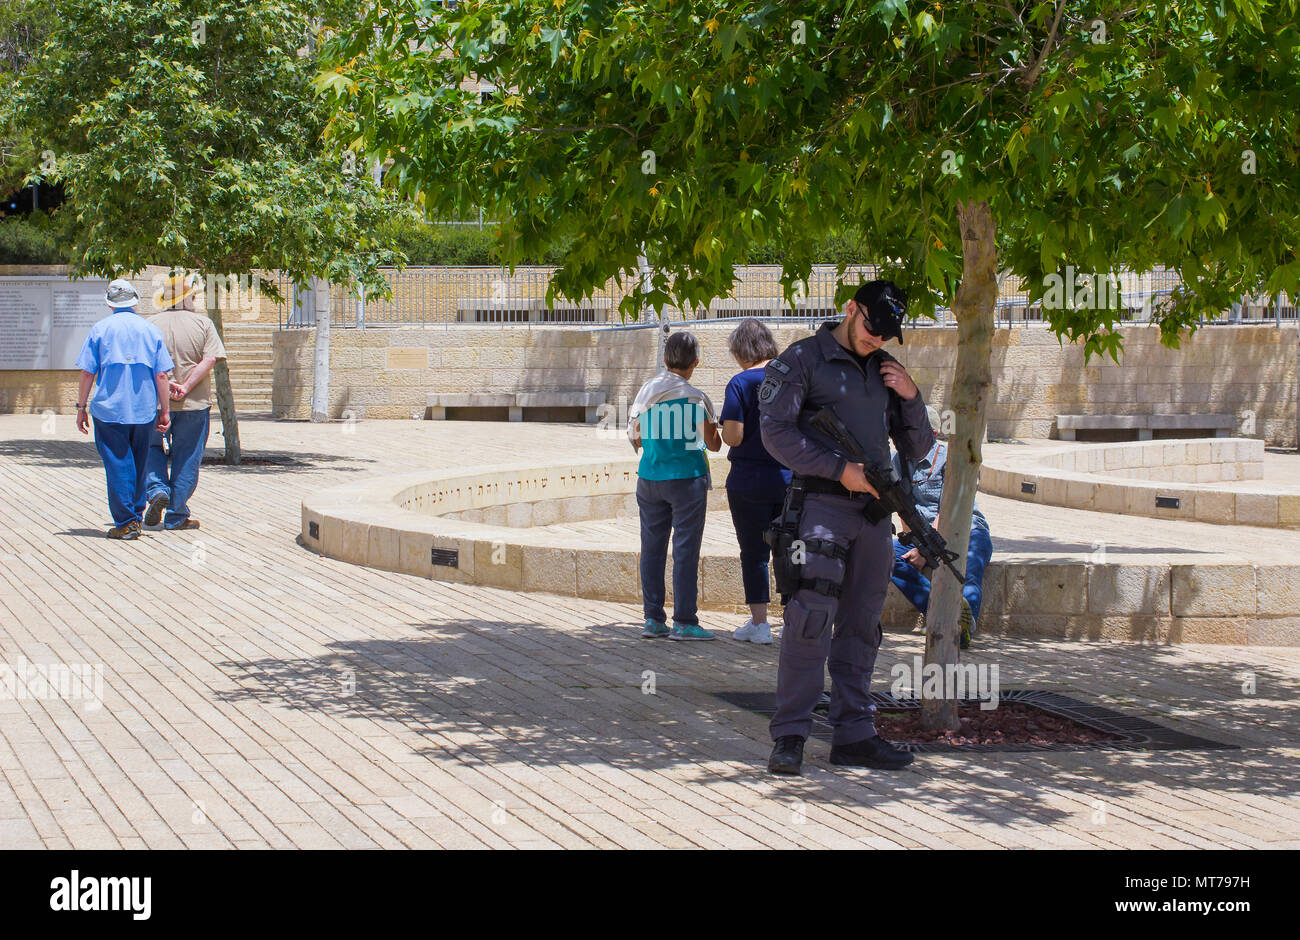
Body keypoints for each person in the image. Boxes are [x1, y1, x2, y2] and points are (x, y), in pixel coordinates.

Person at [758, 280, 934, 775]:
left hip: (873, 517)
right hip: (822, 507)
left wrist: (912, 395)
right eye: (871, 329)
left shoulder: (886, 371)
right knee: (810, 616)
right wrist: (840, 470)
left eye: (886, 335)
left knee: (863, 623)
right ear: (851, 310)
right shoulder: (802, 360)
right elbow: (775, 434)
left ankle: (854, 734)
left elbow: (918, 447)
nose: (876, 340)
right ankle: (790, 734)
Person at [628, 330, 722, 641]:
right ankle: (685, 621)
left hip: (650, 478)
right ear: (696, 361)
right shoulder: (697, 397)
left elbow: (636, 434)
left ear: (666, 359)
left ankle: (653, 619)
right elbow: (714, 443)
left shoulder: (647, 391)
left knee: (651, 550)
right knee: (685, 551)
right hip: (687, 481)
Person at [75, 279, 174, 539]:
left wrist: (81, 407)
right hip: (143, 411)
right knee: (139, 462)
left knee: (118, 463)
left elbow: (87, 373)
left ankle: (127, 521)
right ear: (134, 301)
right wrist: (165, 410)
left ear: (109, 302)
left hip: (109, 411)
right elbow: (162, 375)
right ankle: (136, 514)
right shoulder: (150, 331)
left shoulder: (100, 330)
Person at [890, 405, 994, 650]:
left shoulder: (951, 458)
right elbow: (903, 507)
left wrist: (927, 550)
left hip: (967, 529)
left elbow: (950, 509)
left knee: (967, 570)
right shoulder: (898, 461)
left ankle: (961, 628)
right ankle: (945, 615)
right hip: (925, 536)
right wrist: (913, 542)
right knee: (888, 555)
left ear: (933, 433)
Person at [719, 319, 791, 644]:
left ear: (742, 351)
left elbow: (733, 437)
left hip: (748, 480)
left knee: (754, 551)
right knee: (791, 549)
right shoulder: (791, 378)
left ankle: (760, 625)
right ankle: (793, 621)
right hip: (790, 479)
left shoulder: (740, 383)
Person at [143, 274, 227, 530]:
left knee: (151, 449)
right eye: (193, 297)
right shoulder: (203, 324)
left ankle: (157, 489)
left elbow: (144, 363)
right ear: (186, 299)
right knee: (187, 456)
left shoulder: (149, 324)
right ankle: (176, 515)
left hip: (155, 403)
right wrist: (186, 386)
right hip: (194, 404)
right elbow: (210, 359)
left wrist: (167, 386)